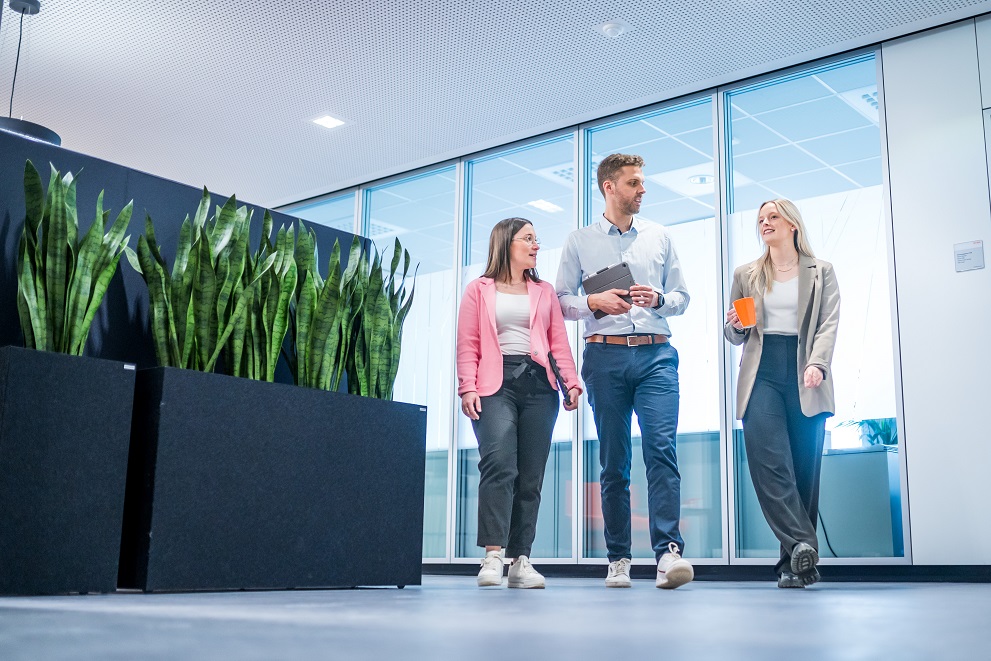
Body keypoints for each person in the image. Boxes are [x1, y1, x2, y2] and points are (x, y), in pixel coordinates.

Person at [556, 153, 693, 589]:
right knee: (614, 463)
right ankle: (618, 559)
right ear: (609, 187)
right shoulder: (579, 241)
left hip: (656, 355)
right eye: (634, 183)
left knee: (661, 450)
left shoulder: (660, 236)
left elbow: (682, 297)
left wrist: (658, 299)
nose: (643, 190)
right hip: (605, 357)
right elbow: (559, 301)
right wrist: (593, 302)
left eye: (642, 182)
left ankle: (668, 554)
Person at [457, 217, 582, 589]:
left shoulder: (543, 291)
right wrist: (467, 387)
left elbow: (558, 341)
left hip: (540, 385)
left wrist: (572, 383)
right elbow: (468, 344)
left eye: (536, 239)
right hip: (494, 384)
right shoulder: (478, 290)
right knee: (498, 464)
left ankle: (520, 560)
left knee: (531, 474)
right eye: (528, 239)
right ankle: (493, 556)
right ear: (506, 243)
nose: (535, 245)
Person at [724, 198, 840, 589]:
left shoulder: (821, 271)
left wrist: (817, 364)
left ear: (792, 224)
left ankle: (795, 565)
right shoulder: (747, 274)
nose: (765, 223)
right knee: (770, 467)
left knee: (803, 472)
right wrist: (736, 325)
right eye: (760, 219)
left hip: (806, 371)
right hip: (762, 372)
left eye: (773, 217)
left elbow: (828, 324)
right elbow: (736, 333)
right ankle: (804, 543)